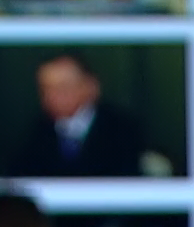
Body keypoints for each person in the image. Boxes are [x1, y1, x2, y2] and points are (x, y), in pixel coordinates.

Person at [9, 52, 156, 179]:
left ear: (91, 87)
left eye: (63, 87)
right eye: (46, 89)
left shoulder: (122, 129)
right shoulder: (34, 133)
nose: (52, 96)